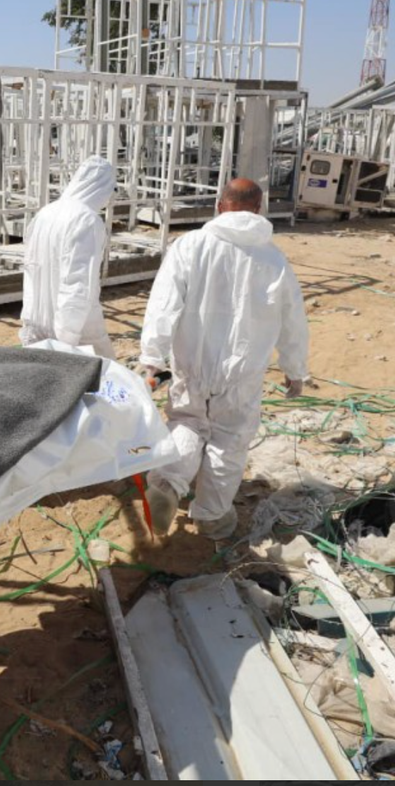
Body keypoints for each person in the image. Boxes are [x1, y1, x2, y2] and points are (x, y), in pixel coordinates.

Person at [136, 178, 309, 542]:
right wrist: (295, 371)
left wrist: (152, 356)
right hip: (241, 375)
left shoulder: (190, 246)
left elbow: (163, 305)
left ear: (220, 206)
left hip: (192, 367)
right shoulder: (273, 259)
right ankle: (212, 517)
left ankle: (168, 483)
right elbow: (292, 321)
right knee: (228, 440)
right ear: (259, 209)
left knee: (187, 423)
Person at [19, 155, 117, 358]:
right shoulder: (87, 220)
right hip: (77, 329)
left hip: (37, 320)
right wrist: (67, 340)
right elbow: (78, 283)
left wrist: (29, 320)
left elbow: (30, 269)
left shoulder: (45, 212)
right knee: (102, 378)